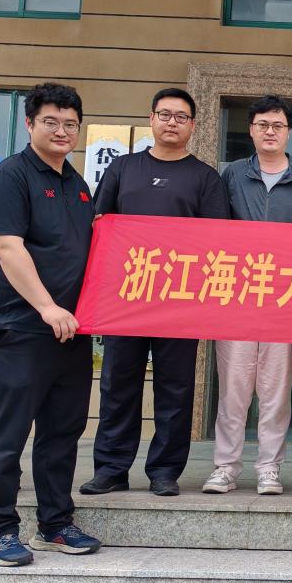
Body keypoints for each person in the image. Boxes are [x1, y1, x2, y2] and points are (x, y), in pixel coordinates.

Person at [79, 88, 229, 498]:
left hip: (179, 301)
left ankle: (165, 471)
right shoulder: (123, 168)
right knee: (117, 384)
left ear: (193, 126)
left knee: (175, 390)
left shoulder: (205, 178)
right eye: (165, 114)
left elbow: (217, 242)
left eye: (181, 117)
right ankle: (111, 468)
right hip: (126, 297)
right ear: (151, 119)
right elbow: (100, 226)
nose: (171, 123)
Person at [0, 82, 101, 567]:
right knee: (7, 434)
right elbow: (7, 248)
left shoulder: (78, 184)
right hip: (22, 328)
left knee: (62, 433)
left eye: (71, 124)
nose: (62, 131)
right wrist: (47, 306)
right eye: (51, 122)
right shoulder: (10, 177)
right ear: (30, 124)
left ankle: (55, 523)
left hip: (73, 332)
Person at [202, 95, 292, 496]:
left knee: (275, 391)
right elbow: (215, 230)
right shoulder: (233, 174)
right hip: (237, 295)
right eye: (263, 124)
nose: (270, 132)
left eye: (278, 125)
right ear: (251, 129)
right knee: (233, 389)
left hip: (285, 297)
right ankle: (225, 467)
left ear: (288, 131)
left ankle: (269, 468)